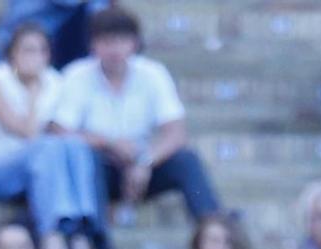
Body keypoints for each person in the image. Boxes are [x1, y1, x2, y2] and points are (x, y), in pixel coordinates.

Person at [47, 7, 218, 219]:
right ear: (93, 45)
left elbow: (176, 133)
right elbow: (59, 132)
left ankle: (214, 230)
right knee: (85, 161)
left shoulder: (153, 74)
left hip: (143, 166)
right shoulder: (77, 75)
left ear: (135, 43)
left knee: (186, 161)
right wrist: (108, 143)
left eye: (121, 41)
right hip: (98, 167)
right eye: (106, 42)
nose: (114, 50)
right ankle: (98, 244)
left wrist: (145, 161)